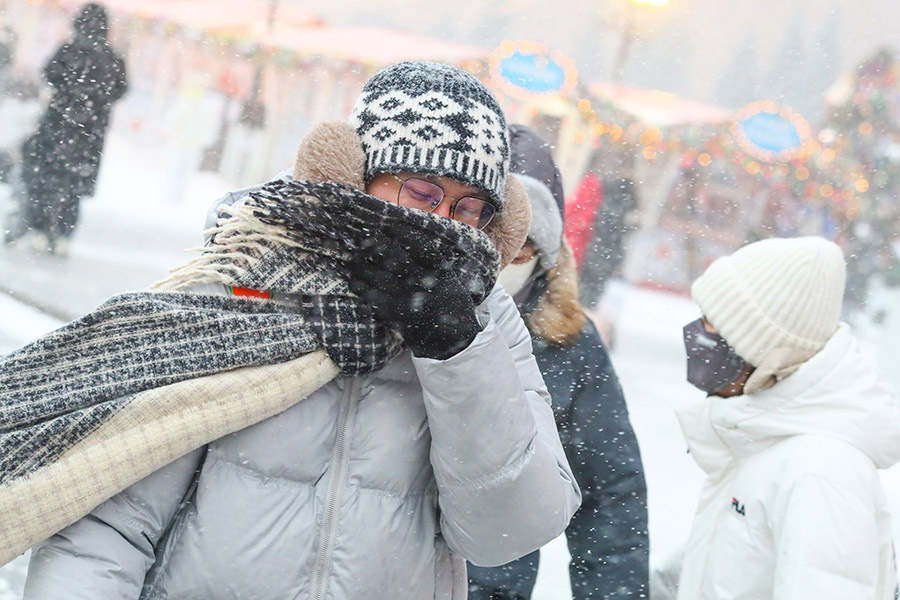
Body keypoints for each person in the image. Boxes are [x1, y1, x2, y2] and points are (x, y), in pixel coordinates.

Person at [22, 60, 581, 599]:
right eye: (421, 192)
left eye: (469, 208)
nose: (440, 224)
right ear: (354, 173)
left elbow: (504, 532)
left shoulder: (484, 324)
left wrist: (454, 350)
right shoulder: (247, 280)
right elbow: (111, 527)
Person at [467, 125, 648, 600]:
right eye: (492, 236)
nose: (506, 258)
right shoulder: (396, 305)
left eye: (523, 244)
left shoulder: (567, 342)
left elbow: (612, 494)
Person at [676, 236, 900, 599]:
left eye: (712, 323)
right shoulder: (764, 440)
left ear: (757, 349)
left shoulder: (822, 473)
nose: (697, 334)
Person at [14, 3, 127, 255]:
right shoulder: (113, 59)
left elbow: (49, 75)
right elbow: (120, 90)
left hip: (58, 127)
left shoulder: (68, 50)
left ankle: (40, 230)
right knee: (73, 188)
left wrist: (70, 95)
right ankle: (64, 234)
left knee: (46, 179)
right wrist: (95, 103)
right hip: (90, 134)